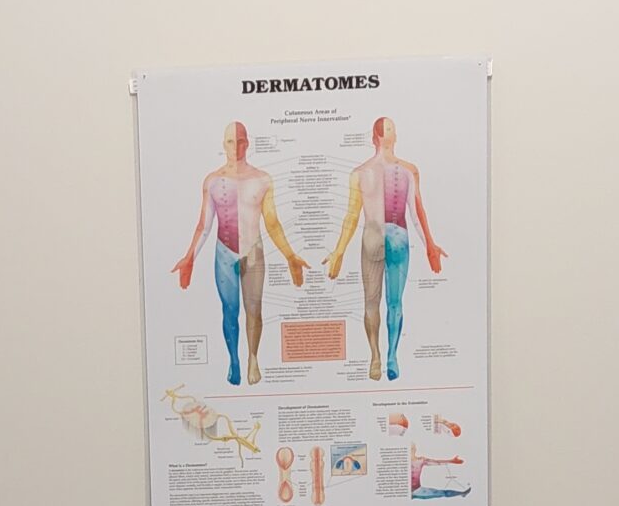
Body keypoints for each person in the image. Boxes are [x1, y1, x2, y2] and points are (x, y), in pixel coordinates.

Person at [171, 121, 308, 386]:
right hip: (225, 253)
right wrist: (190, 257)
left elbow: (272, 222)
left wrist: (290, 255)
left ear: (248, 143)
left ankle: (253, 358)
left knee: (254, 309)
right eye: (231, 141)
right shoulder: (212, 181)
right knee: (229, 310)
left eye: (241, 141)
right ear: (224, 144)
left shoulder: (262, 179)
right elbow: (205, 224)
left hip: (253, 251)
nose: (237, 146)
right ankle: (234, 359)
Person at [324, 117, 446, 382]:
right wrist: (429, 245)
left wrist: (339, 252)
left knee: (371, 302)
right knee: (394, 302)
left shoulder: (360, 172)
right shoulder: (409, 170)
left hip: (372, 235)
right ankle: (390, 356)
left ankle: (376, 357)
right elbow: (416, 212)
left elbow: (351, 217)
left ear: (373, 138)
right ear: (395, 137)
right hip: (398, 235)